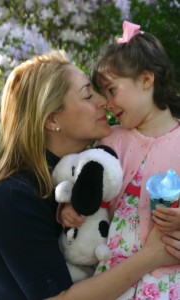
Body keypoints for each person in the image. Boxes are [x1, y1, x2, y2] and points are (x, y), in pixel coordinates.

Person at [0, 50, 179, 300]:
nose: (103, 101)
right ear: (52, 119)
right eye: (88, 95)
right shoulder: (12, 194)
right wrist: (153, 255)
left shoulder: (78, 173)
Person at [60, 21, 180, 299]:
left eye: (112, 90)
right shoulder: (111, 139)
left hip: (167, 277)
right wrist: (68, 207)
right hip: (116, 272)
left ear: (146, 80)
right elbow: (88, 186)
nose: (108, 104)